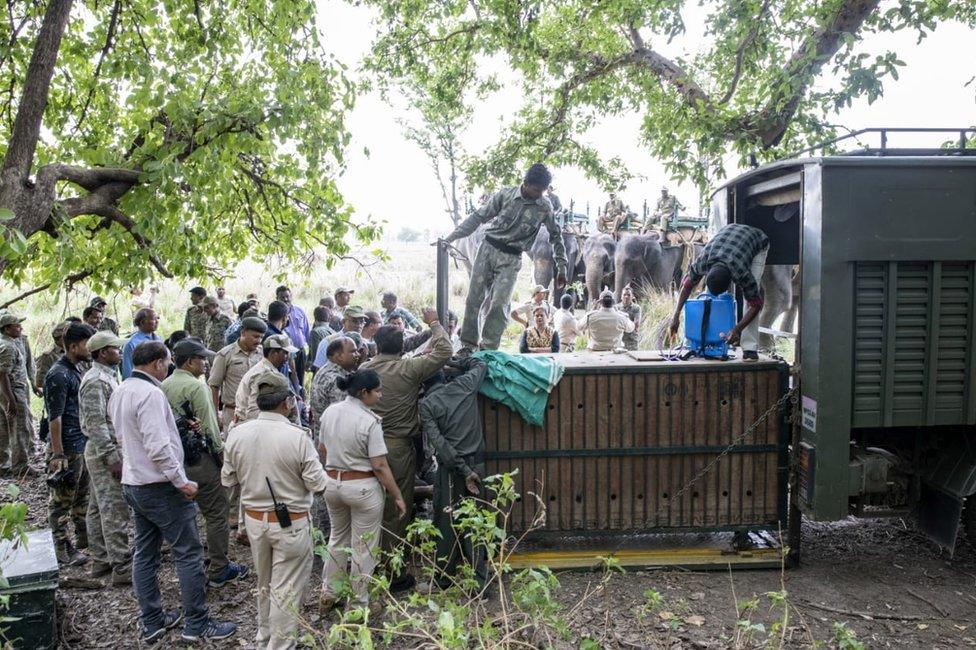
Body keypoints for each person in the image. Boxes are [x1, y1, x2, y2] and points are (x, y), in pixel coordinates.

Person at [109, 341, 236, 642]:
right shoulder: (151, 393)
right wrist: (181, 481)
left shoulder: (121, 390)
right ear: (156, 364)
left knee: (145, 553)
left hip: (135, 482)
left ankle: (152, 620)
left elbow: (127, 437)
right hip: (159, 486)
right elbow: (158, 445)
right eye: (166, 362)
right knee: (188, 553)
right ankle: (197, 623)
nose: (168, 367)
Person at [222, 373, 326, 648]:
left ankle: (264, 634)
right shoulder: (297, 437)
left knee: (265, 581)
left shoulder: (237, 433)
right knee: (287, 587)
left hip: (255, 521)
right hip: (290, 523)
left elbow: (228, 479)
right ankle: (280, 644)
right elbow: (317, 482)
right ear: (288, 403)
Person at [361, 310, 452, 591]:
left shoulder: (364, 371)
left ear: (376, 345)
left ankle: (364, 566)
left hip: (363, 445)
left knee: (367, 506)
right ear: (402, 347)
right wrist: (435, 324)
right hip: (397, 447)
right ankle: (393, 573)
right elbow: (446, 350)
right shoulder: (409, 369)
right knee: (396, 508)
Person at [442, 163, 567, 353]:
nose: (539, 195)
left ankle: (488, 350)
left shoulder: (544, 207)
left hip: (512, 258)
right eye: (536, 190)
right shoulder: (505, 195)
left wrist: (562, 267)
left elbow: (556, 236)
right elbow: (478, 217)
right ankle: (468, 346)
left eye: (543, 191)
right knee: (473, 299)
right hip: (488, 249)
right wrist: (451, 237)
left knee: (500, 305)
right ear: (525, 183)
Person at [162, 338, 248, 588]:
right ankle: (219, 568)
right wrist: (222, 458)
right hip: (199, 457)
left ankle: (190, 564)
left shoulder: (164, 385)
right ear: (189, 362)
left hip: (175, 459)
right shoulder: (196, 388)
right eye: (202, 359)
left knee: (184, 515)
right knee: (217, 513)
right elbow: (210, 428)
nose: (206, 363)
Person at [318, 369, 406, 612]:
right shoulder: (370, 421)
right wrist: (397, 495)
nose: (380, 395)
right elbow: (379, 465)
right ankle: (358, 603)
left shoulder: (329, 412)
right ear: (363, 392)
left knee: (337, 539)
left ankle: (330, 592)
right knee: (363, 547)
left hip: (333, 484)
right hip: (363, 488)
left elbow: (322, 448)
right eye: (377, 391)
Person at [419, 357, 489, 590]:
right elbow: (480, 364)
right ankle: (480, 584)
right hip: (477, 467)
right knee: (476, 523)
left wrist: (461, 469)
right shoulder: (466, 385)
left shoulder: (428, 405)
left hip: (451, 471)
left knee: (447, 523)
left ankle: (443, 579)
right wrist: (454, 360)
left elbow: (439, 443)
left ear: (424, 385)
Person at [669, 223, 769, 361]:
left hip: (757, 240)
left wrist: (737, 330)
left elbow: (756, 304)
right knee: (708, 297)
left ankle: (750, 348)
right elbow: (686, 287)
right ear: (707, 272)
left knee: (752, 294)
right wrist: (676, 316)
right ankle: (703, 341)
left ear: (732, 280)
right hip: (729, 234)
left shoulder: (741, 273)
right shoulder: (702, 262)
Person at [80, 330, 132, 584]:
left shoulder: (107, 376)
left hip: (103, 448)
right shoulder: (95, 381)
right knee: (113, 507)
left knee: (97, 506)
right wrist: (112, 457)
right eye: (115, 349)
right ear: (103, 353)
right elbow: (96, 422)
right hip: (104, 450)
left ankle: (101, 558)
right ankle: (121, 565)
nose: (120, 352)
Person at [45, 322, 97, 566]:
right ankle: (60, 547)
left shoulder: (76, 368)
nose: (91, 348)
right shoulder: (58, 374)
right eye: (87, 344)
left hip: (80, 442)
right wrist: (58, 454)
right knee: (61, 501)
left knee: (81, 497)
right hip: (67, 447)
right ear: (74, 346)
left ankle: (82, 541)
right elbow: (54, 417)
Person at [209, 317, 267, 433]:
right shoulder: (225, 355)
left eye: (261, 337)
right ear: (243, 333)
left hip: (258, 414)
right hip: (233, 414)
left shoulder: (262, 354)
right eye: (255, 336)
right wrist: (215, 416)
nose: (259, 341)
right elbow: (214, 387)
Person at [235, 334, 299, 424]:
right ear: (273, 353)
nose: (287, 357)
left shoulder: (267, 369)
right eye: (285, 353)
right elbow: (254, 410)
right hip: (252, 425)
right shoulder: (263, 374)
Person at [0, 312, 35, 477]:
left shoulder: (8, 343)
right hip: (14, 391)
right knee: (20, 428)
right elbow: (3, 375)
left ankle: (3, 464)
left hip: (9, 391)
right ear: (7, 329)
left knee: (4, 427)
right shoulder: (9, 347)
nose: (20, 328)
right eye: (16, 325)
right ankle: (21, 466)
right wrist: (11, 400)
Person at [309, 337, 359, 426]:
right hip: (334, 435)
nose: (357, 355)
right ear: (339, 356)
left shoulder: (327, 370)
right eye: (353, 351)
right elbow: (343, 415)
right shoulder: (335, 378)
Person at [35, 321, 69, 442]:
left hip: (71, 401)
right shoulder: (48, 356)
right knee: (55, 431)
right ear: (59, 338)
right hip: (56, 400)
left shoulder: (74, 351)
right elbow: (39, 382)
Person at [276, 286, 310, 380]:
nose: (286, 299)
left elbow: (307, 332)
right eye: (282, 297)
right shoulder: (276, 313)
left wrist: (310, 354)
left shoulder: (299, 311)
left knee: (300, 378)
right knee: (289, 378)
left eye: (288, 296)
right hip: (287, 353)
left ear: (291, 296)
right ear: (277, 298)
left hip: (300, 351)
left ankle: (301, 394)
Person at [121, 308, 161, 379]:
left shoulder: (158, 339)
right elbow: (127, 372)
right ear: (142, 322)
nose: (157, 322)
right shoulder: (131, 343)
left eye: (157, 318)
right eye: (154, 319)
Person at [307, 306, 335, 372]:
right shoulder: (333, 332)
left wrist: (312, 368)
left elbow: (315, 353)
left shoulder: (315, 332)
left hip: (320, 369)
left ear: (315, 317)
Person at [616, 285, 642, 351]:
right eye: (624, 295)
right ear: (621, 296)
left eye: (628, 295)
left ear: (632, 296)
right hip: (619, 340)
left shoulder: (636, 308)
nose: (626, 297)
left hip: (632, 340)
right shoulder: (616, 308)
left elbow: (636, 325)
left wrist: (622, 325)